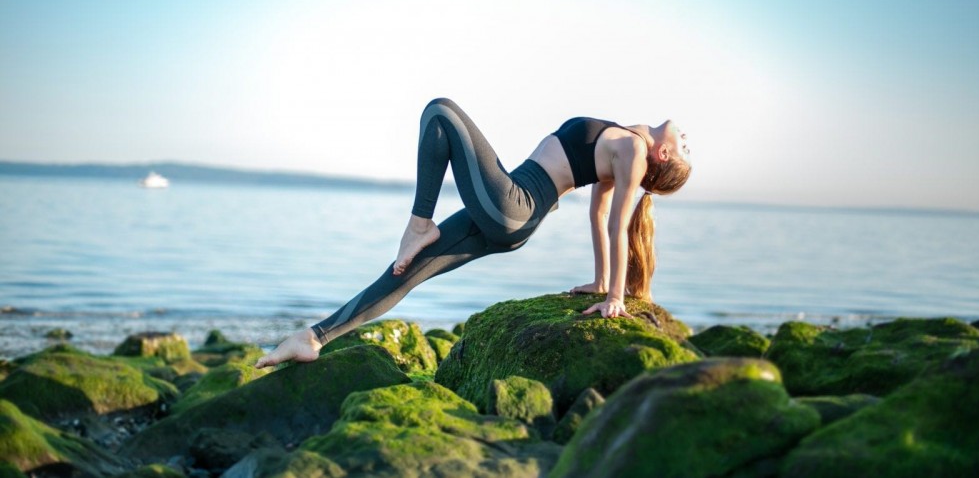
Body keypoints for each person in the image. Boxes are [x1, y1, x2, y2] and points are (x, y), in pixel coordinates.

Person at [255, 97, 691, 368]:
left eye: (686, 149)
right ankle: (311, 338)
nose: (687, 138)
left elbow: (617, 224)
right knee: (407, 270)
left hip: (514, 205)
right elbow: (596, 218)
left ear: (663, 154)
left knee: (441, 112)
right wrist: (599, 283)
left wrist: (614, 298)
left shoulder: (633, 150)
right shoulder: (624, 144)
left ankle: (418, 223)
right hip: (511, 214)